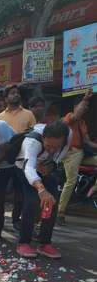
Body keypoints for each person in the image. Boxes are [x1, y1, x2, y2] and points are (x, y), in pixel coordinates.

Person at [15, 121, 71, 259]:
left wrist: (51, 164)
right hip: (25, 167)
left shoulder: (69, 135)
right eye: (48, 146)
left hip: (45, 167)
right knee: (32, 201)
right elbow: (29, 168)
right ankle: (23, 242)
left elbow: (60, 154)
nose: (52, 149)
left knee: (52, 201)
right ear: (43, 137)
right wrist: (41, 190)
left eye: (55, 147)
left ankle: (45, 243)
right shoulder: (32, 142)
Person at [57, 91, 96, 225]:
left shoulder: (83, 123)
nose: (85, 109)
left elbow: (87, 141)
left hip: (81, 153)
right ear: (76, 106)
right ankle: (60, 213)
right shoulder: (68, 118)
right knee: (71, 181)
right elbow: (77, 114)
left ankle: (93, 188)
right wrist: (85, 99)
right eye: (84, 106)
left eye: (87, 107)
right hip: (71, 154)